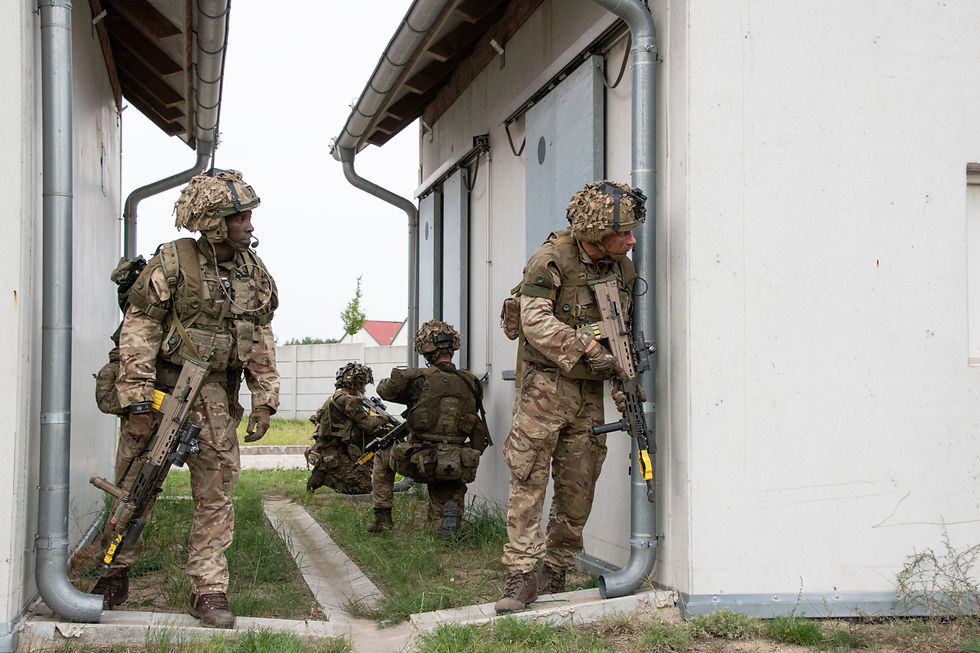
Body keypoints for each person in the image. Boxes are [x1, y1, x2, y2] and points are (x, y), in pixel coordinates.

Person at [89, 169, 279, 628]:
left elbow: (260, 335)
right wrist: (138, 400)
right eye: (240, 217)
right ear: (214, 222)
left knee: (216, 493)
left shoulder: (253, 272)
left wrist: (265, 397)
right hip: (160, 390)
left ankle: (208, 589)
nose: (249, 225)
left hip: (212, 395)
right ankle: (114, 572)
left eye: (248, 217)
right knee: (135, 487)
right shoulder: (173, 263)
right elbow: (139, 329)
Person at [494, 180, 646, 614]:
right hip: (543, 390)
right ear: (597, 231)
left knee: (579, 485)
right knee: (528, 481)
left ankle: (555, 569)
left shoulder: (622, 270)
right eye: (624, 232)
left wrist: (625, 388)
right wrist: (588, 349)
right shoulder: (551, 260)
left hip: (587, 395)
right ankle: (521, 574)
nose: (632, 241)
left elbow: (621, 337)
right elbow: (535, 323)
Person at [377, 320, 489, 540]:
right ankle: (448, 518)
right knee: (447, 491)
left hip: (419, 461)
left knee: (382, 453)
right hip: (454, 463)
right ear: (452, 349)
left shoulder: (417, 380)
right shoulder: (472, 382)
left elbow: (385, 390)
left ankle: (382, 517)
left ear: (426, 351)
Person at [306, 362, 388, 495]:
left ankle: (326, 470)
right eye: (362, 385)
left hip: (333, 450)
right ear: (353, 384)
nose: (364, 390)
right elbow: (367, 424)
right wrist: (383, 418)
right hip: (333, 454)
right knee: (363, 487)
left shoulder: (336, 397)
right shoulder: (349, 400)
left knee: (365, 473)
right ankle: (324, 476)